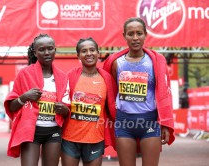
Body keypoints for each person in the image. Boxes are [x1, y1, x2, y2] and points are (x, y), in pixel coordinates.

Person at [103, 17, 175, 166]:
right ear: (124, 36)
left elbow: (165, 95)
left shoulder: (156, 61)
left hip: (149, 122)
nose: (135, 38)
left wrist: (166, 124)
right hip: (124, 123)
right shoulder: (116, 62)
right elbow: (109, 91)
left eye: (139, 33)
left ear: (145, 34)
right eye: (130, 34)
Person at [4, 34, 70, 166]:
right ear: (35, 52)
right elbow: (11, 106)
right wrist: (24, 97)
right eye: (41, 49)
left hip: (53, 131)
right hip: (31, 130)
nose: (47, 52)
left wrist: (64, 110)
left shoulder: (63, 77)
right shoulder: (25, 74)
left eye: (50, 48)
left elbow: (67, 109)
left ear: (55, 50)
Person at [61, 37, 116, 166]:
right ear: (78, 55)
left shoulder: (106, 78)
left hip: (95, 138)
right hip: (70, 139)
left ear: (98, 53)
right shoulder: (69, 76)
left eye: (92, 50)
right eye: (84, 51)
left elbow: (112, 107)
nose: (89, 53)